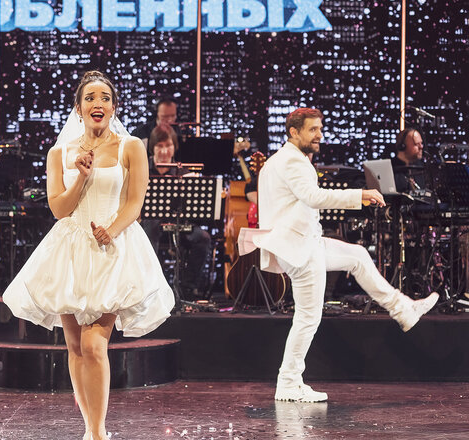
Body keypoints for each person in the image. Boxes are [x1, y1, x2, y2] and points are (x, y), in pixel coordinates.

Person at [2, 71, 175, 440]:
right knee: (76, 346)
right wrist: (80, 176)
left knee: (95, 345)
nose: (99, 103)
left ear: (113, 107)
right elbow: (58, 209)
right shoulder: (59, 153)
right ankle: (89, 429)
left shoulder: (131, 147)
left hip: (112, 248)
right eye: (91, 98)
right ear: (78, 108)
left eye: (105, 98)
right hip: (70, 249)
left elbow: (135, 203)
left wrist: (112, 230)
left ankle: (98, 432)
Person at [247, 108, 438, 403]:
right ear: (294, 132)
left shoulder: (282, 160)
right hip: (300, 248)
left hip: (303, 244)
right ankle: (288, 382)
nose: (319, 135)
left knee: (357, 256)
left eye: (320, 129)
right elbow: (314, 197)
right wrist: (359, 195)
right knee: (308, 317)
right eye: (312, 130)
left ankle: (402, 309)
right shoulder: (292, 161)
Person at [142, 123, 211, 298]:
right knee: (150, 227)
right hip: (150, 225)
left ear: (174, 147)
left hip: (177, 225)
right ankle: (152, 286)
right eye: (160, 146)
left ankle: (187, 287)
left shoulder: (182, 172)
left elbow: (193, 211)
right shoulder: (142, 169)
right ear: (152, 148)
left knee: (203, 238)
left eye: (168, 146)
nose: (164, 151)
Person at [391, 127, 427, 193]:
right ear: (403, 146)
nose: (421, 147)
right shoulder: (390, 168)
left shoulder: (421, 167)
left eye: (421, 143)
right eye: (416, 144)